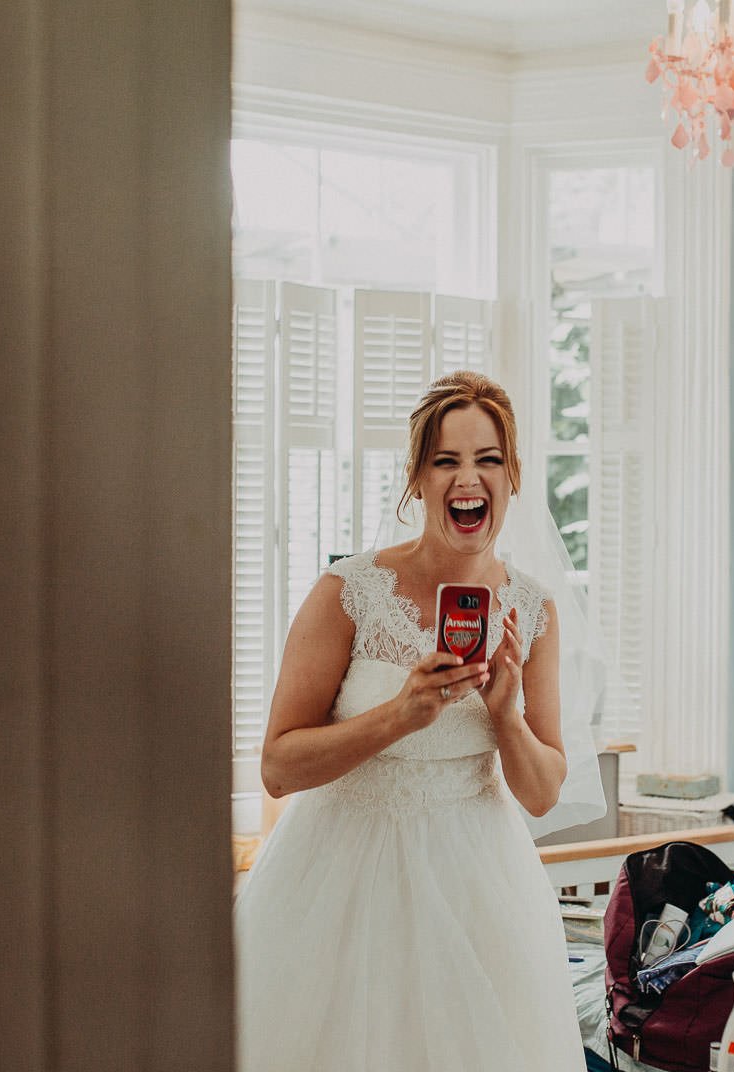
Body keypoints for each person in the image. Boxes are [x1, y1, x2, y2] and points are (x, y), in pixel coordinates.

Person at [235, 371, 586, 1070]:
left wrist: (505, 718)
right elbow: (277, 768)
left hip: (482, 891)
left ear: (512, 478)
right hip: (339, 884)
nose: (469, 478)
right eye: (446, 460)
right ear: (418, 478)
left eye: (488, 459)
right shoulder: (347, 593)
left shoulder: (534, 609)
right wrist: (400, 715)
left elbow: (543, 791)